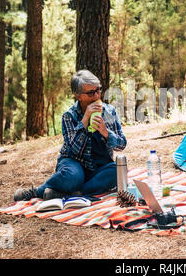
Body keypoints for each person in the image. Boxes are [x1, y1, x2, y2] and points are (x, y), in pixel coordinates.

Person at [14, 70, 127, 201]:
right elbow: (75, 149)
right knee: (73, 177)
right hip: (73, 162)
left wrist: (106, 133)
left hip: (99, 165)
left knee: (117, 172)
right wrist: (85, 120)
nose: (96, 96)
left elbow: (122, 145)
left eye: (98, 90)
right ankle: (37, 192)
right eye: (91, 93)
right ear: (78, 95)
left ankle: (72, 193)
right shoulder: (69, 116)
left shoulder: (109, 111)